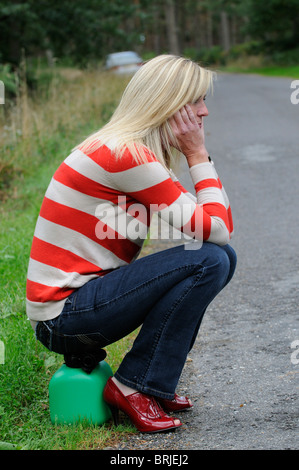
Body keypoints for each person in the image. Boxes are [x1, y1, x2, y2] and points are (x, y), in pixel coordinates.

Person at [26, 55, 236, 433]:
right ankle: (133, 385)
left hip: (80, 306)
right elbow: (216, 229)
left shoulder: (135, 152)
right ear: (167, 104)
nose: (204, 112)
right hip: (63, 317)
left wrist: (193, 157)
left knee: (220, 257)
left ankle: (153, 380)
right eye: (196, 101)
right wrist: (197, 154)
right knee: (210, 260)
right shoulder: (124, 154)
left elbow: (219, 230)